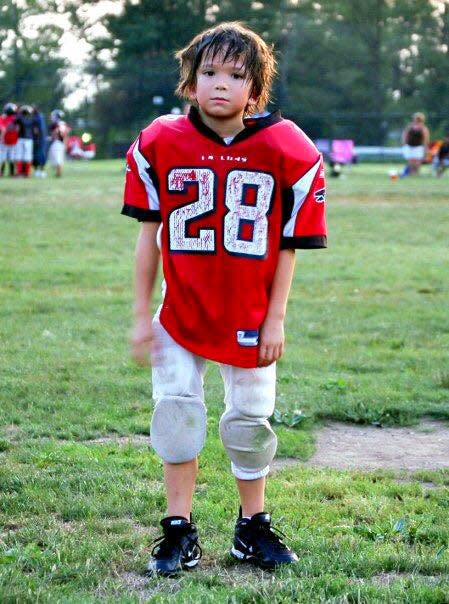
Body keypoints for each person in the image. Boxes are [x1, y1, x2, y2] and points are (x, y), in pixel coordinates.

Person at [122, 22, 327, 576]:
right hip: (180, 311)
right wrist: (142, 314)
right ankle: (178, 530)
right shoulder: (160, 140)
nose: (220, 85)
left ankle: (252, 526)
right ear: (189, 81)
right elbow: (149, 238)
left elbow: (289, 243)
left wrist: (276, 319)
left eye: (235, 75)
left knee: (250, 424)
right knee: (176, 416)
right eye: (208, 72)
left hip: (251, 314)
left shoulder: (288, 147)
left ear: (256, 91)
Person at [401, 112, 430, 177]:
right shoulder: (410, 126)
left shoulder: (423, 128)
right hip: (409, 146)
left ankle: (416, 173)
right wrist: (404, 142)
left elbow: (426, 140)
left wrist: (426, 150)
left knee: (417, 163)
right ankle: (410, 174)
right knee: (410, 162)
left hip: (418, 147)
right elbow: (405, 134)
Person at [15, 105, 38, 177]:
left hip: (21, 138)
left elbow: (16, 129)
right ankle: (27, 173)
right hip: (29, 140)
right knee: (27, 156)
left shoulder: (19, 118)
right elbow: (35, 131)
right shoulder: (33, 119)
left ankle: (19, 173)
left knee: (19, 156)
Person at [47, 109, 68, 177]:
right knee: (57, 158)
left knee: (57, 158)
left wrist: (51, 138)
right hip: (60, 143)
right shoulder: (63, 123)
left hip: (57, 142)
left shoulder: (57, 124)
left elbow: (56, 133)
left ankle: (58, 173)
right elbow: (66, 134)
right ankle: (58, 172)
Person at [0, 103, 19, 177]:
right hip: (12, 141)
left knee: (3, 157)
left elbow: (3, 129)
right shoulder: (16, 119)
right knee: (11, 158)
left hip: (6, 141)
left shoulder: (3, 118)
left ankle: (2, 172)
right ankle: (11, 173)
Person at [32, 106, 48, 178]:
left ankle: (38, 171)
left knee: (38, 155)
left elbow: (36, 130)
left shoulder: (36, 118)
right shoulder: (41, 117)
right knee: (41, 155)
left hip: (38, 140)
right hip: (42, 140)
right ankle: (41, 171)